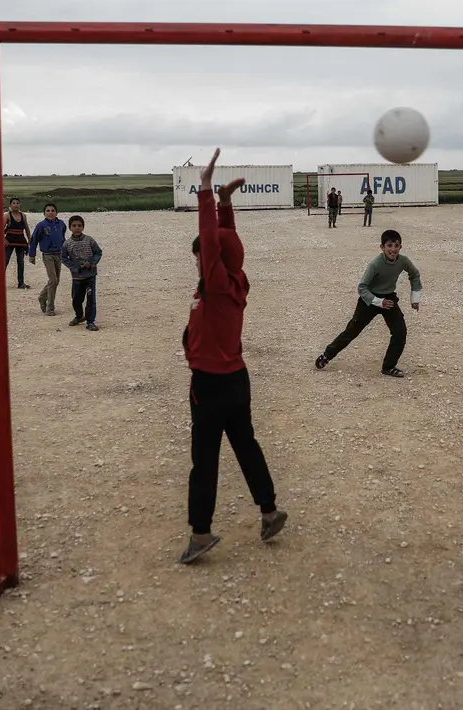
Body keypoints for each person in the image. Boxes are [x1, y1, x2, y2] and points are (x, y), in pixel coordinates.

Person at [181, 148, 287, 564]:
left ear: (211, 262)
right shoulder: (236, 279)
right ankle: (269, 511)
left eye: (201, 259)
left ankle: (201, 534)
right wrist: (227, 206)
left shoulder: (217, 284)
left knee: (204, 462)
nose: (198, 261)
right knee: (245, 446)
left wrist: (206, 192)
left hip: (209, 385)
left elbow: (211, 242)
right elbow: (225, 244)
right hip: (236, 381)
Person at [315, 229, 422, 378]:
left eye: (396, 245)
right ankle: (327, 355)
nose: (393, 249)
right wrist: (378, 302)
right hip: (369, 301)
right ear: (382, 247)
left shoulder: (403, 261)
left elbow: (415, 274)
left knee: (400, 332)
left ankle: (389, 367)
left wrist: (415, 298)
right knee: (352, 331)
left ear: (400, 247)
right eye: (389, 245)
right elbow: (362, 287)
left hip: (389, 299)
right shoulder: (375, 265)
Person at [59, 215, 102, 331]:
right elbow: (63, 258)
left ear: (83, 227)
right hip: (77, 277)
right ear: (70, 227)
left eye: (79, 225)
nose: (77, 228)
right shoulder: (67, 244)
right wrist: (76, 267)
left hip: (90, 275)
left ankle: (90, 321)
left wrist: (92, 263)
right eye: (74, 226)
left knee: (91, 298)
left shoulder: (89, 240)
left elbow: (98, 252)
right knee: (76, 298)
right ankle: (79, 316)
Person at [28, 203, 67, 316]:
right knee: (53, 280)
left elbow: (62, 237)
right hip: (47, 254)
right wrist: (32, 255)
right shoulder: (41, 225)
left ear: (56, 212)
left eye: (53, 210)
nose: (50, 212)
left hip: (58, 254)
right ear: (44, 213)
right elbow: (34, 240)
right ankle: (50, 308)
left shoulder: (61, 224)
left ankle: (42, 297)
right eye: (48, 210)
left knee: (55, 281)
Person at [3, 197, 31, 289]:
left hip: (20, 241)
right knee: (5, 261)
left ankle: (21, 283)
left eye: (17, 203)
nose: (16, 205)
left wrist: (29, 239)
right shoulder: (7, 215)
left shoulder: (23, 216)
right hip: (9, 241)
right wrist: (3, 240)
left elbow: (26, 228)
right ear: (10, 205)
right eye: (14, 203)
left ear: (20, 204)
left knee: (21, 262)